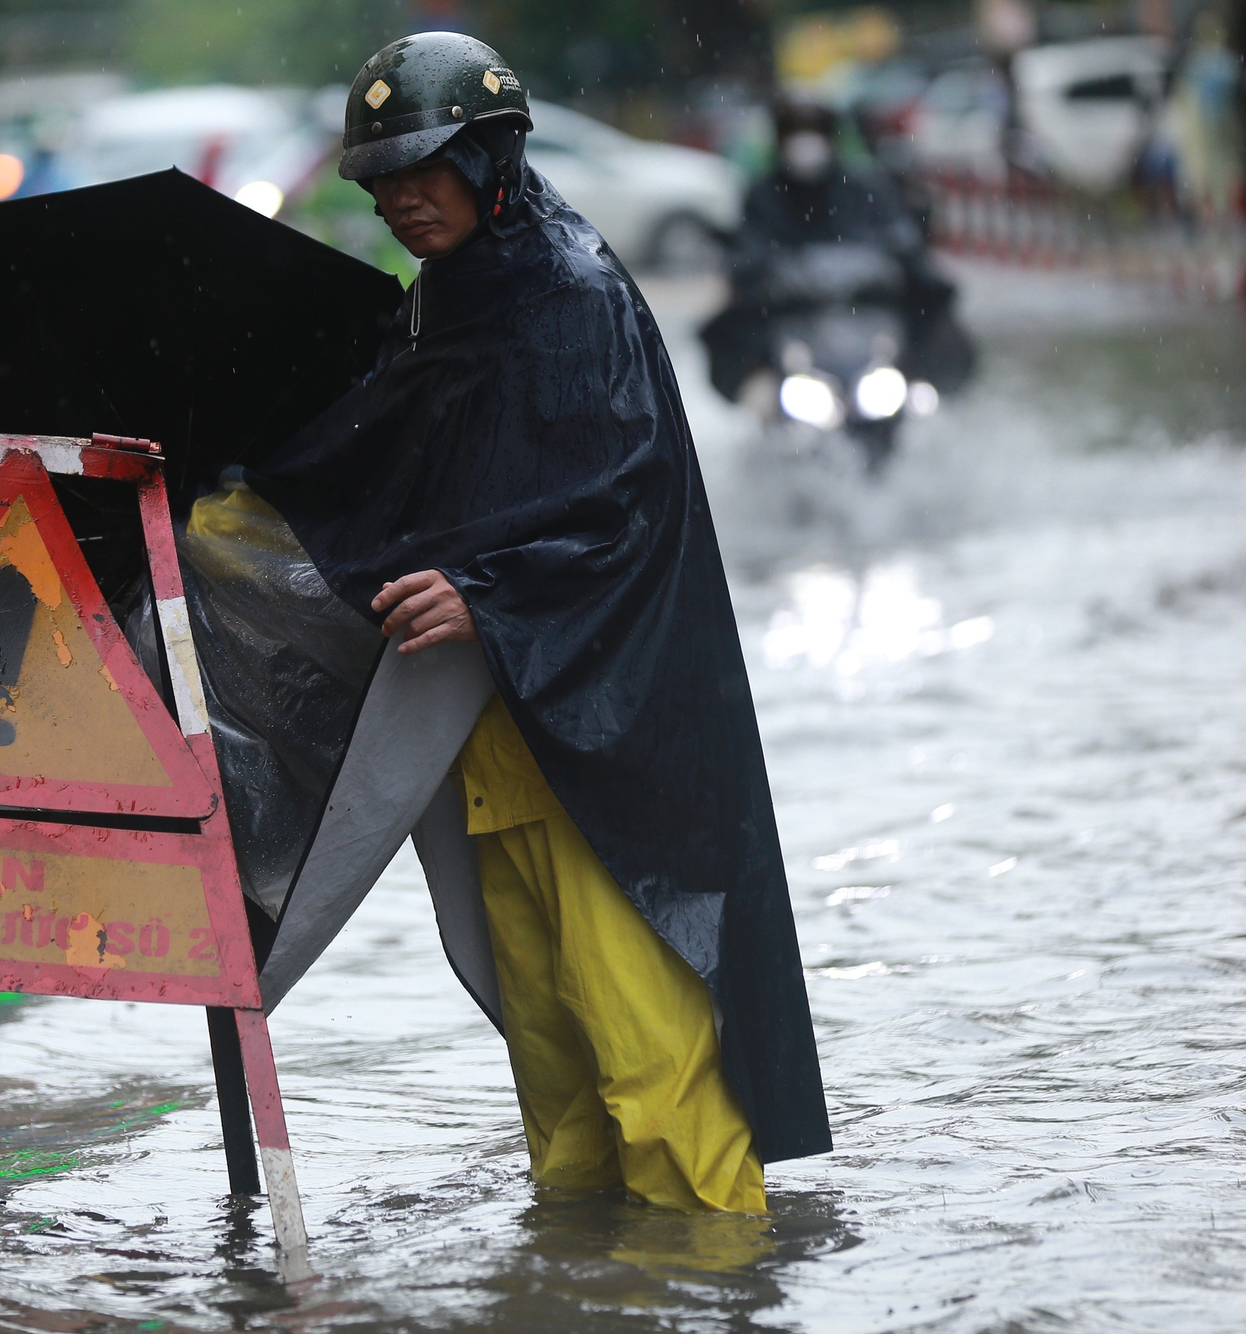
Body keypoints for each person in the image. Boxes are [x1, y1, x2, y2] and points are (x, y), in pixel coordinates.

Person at [226, 33, 831, 1212]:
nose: (402, 195)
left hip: (600, 748)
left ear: (491, 158)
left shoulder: (573, 295)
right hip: (492, 741)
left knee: (652, 1070)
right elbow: (393, 468)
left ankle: (711, 1284)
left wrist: (486, 596)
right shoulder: (445, 302)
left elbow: (624, 517)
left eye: (427, 166)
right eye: (380, 177)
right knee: (553, 1077)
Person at [701, 97, 971, 405]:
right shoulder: (763, 196)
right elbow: (747, 253)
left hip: (867, 314)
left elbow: (902, 241)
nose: (806, 144)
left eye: (813, 131)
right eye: (796, 132)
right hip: (792, 318)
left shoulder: (865, 188)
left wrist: (904, 262)